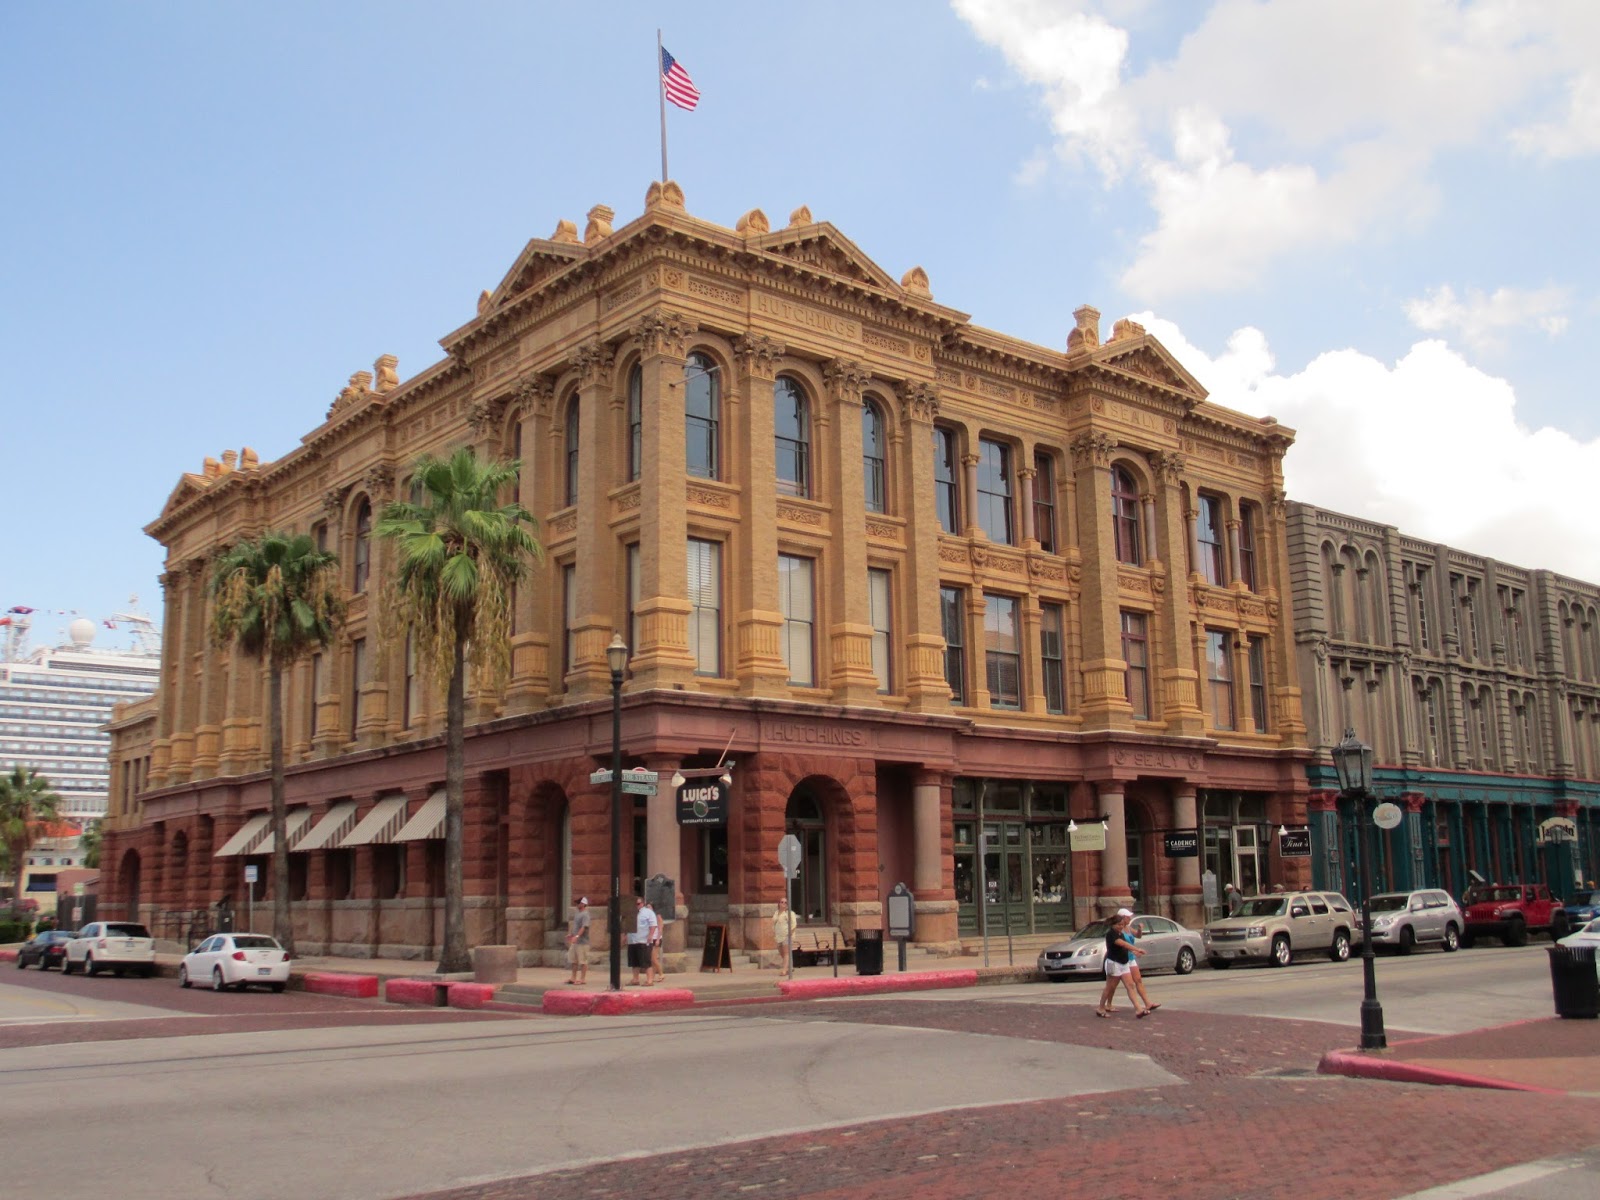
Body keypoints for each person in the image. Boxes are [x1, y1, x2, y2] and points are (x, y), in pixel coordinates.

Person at [1096, 910, 1149, 1018]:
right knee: (1109, 987)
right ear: (1113, 925)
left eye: (1122, 925)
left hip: (1124, 963)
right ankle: (1101, 1007)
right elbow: (1123, 944)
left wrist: (1133, 952)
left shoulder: (1121, 933)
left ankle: (1138, 1009)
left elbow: (1125, 947)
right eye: (1118, 925)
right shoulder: (1111, 934)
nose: (1120, 927)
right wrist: (1137, 949)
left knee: (1130, 985)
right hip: (1114, 963)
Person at [626, 896, 653, 986]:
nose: (636, 906)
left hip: (644, 940)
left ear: (643, 903)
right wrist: (625, 936)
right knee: (634, 961)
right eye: (635, 904)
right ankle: (635, 979)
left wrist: (650, 935)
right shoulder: (630, 912)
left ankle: (649, 980)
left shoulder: (648, 912)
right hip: (632, 940)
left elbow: (653, 925)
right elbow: (627, 925)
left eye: (638, 904)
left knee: (646, 961)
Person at [564, 896, 590, 986]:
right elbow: (575, 926)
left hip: (583, 942)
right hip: (575, 942)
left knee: (583, 961)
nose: (577, 905)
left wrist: (577, 936)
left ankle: (582, 979)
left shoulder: (585, 914)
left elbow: (584, 927)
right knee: (573, 960)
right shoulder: (577, 913)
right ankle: (573, 978)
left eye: (578, 903)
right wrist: (571, 934)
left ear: (583, 904)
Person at [773, 895, 798, 978]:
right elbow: (774, 923)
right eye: (782, 902)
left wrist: (790, 933)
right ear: (779, 904)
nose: (783, 904)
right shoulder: (776, 913)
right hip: (778, 936)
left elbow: (794, 924)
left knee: (786, 953)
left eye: (785, 902)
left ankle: (784, 970)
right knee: (781, 952)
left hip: (786, 935)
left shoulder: (789, 913)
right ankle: (790, 967)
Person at [644, 898, 663, 985]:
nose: (648, 908)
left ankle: (661, 974)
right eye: (647, 907)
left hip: (656, 938)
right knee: (652, 959)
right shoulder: (648, 917)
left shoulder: (657, 916)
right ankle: (653, 975)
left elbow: (660, 928)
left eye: (649, 907)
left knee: (653, 958)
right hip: (651, 939)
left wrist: (658, 939)